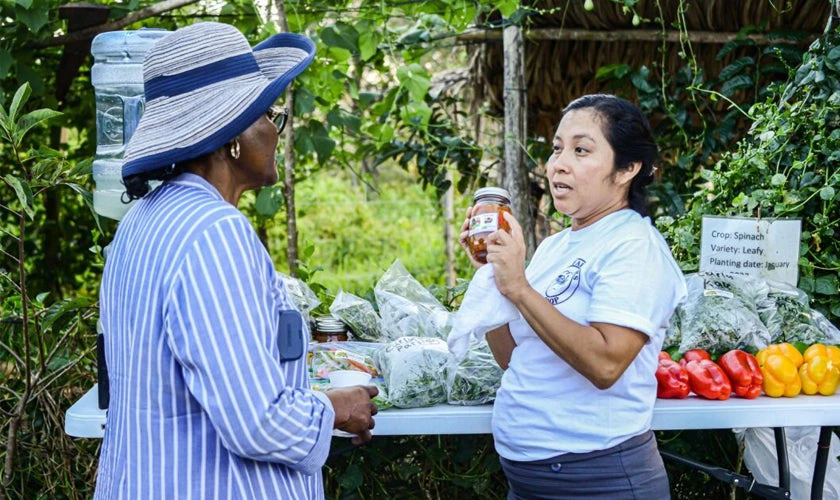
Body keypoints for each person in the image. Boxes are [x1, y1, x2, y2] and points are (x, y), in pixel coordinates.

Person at [95, 22, 377, 499]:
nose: (276, 131)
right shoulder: (215, 234)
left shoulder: (142, 220)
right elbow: (256, 422)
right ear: (232, 135)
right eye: (269, 115)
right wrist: (332, 409)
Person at [459, 94, 687, 499]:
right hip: (530, 480)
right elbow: (517, 359)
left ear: (627, 169)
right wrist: (495, 278)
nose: (558, 164)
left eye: (581, 150)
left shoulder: (634, 247)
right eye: (557, 149)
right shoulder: (555, 247)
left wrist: (519, 289)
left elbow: (604, 364)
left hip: (599, 480)